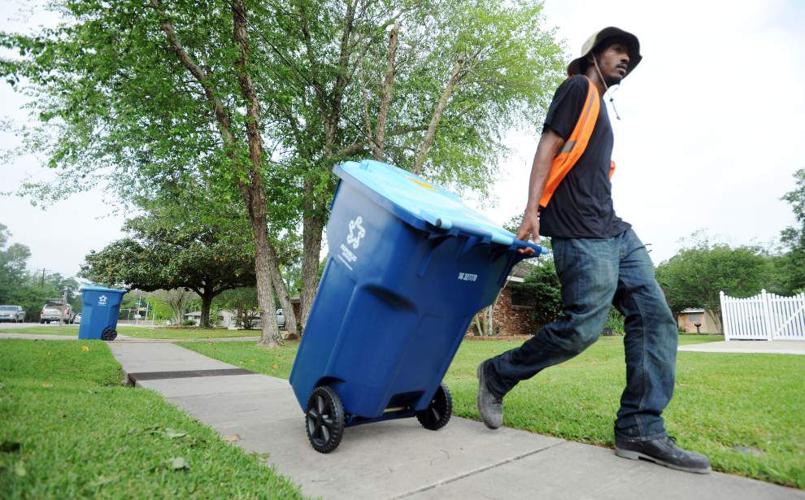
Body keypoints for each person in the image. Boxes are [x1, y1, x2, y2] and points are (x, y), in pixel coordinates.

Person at [476, 27, 711, 474]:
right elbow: (546, 147)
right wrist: (532, 211)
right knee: (582, 329)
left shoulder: (600, 106)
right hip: (580, 233)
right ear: (595, 54)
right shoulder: (578, 88)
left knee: (656, 317)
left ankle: (641, 428)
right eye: (618, 50)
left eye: (630, 56)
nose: (625, 59)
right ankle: (498, 373)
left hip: (615, 231)